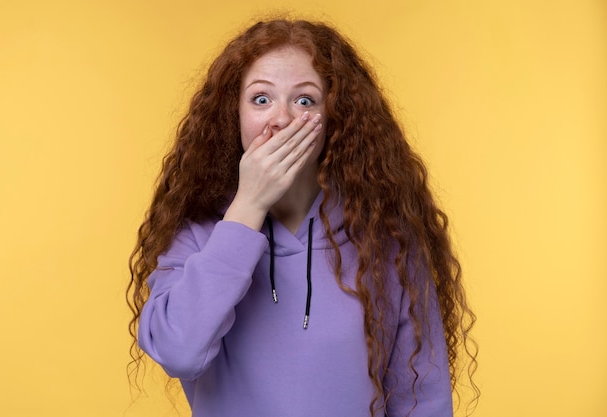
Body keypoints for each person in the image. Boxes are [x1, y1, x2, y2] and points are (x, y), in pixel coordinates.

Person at [128, 18, 478, 417]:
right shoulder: (198, 237)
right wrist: (247, 208)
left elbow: (422, 400)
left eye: (305, 100)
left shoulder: (389, 242)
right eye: (261, 99)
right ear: (234, 114)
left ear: (334, 118)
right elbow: (178, 352)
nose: (281, 118)